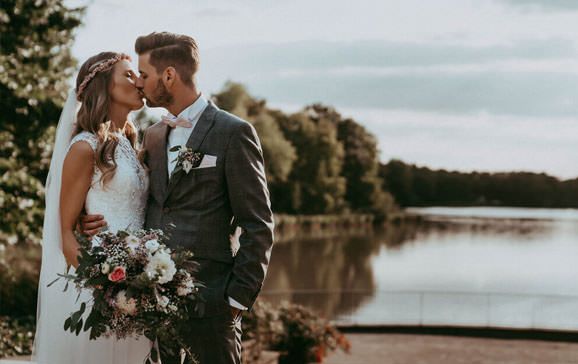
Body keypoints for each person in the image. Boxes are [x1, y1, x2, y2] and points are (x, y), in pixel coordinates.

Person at [82, 32, 275, 364]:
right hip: (150, 308)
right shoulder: (153, 136)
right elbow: (141, 201)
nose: (139, 83)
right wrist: (93, 221)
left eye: (144, 74)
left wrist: (235, 302)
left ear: (168, 75)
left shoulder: (233, 132)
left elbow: (258, 225)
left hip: (212, 310)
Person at [32, 52, 153, 364]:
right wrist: (108, 293)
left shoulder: (132, 145)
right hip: (100, 293)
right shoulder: (85, 147)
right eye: (128, 75)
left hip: (139, 287)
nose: (138, 81)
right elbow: (65, 235)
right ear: (104, 85)